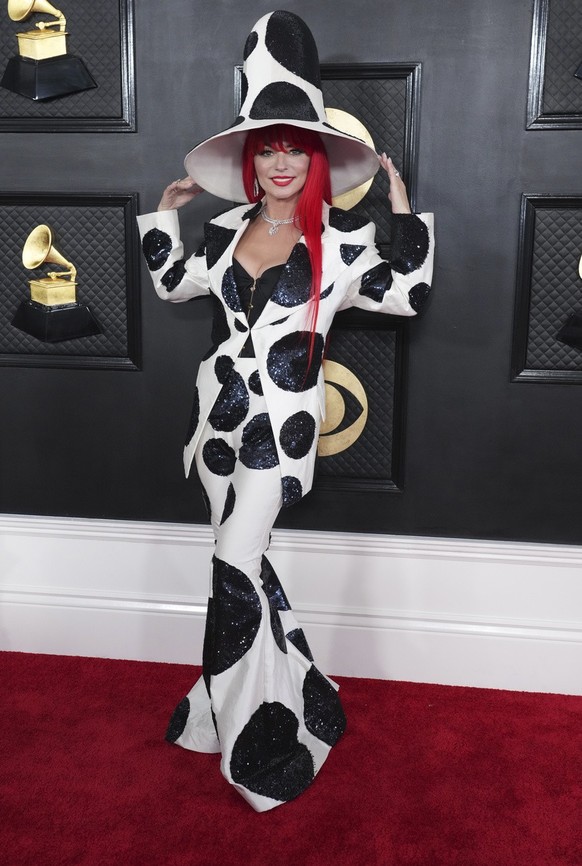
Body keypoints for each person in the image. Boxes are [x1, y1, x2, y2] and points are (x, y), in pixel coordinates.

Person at [137, 10, 434, 812]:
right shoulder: (223, 230)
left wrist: (402, 217)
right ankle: (283, 696)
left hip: (279, 437)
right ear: (249, 156)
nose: (277, 160)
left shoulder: (343, 241)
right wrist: (165, 213)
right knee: (246, 572)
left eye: (291, 147)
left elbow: (407, 296)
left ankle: (258, 740)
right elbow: (171, 284)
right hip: (216, 432)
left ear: (315, 158)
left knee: (234, 567)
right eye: (264, 146)